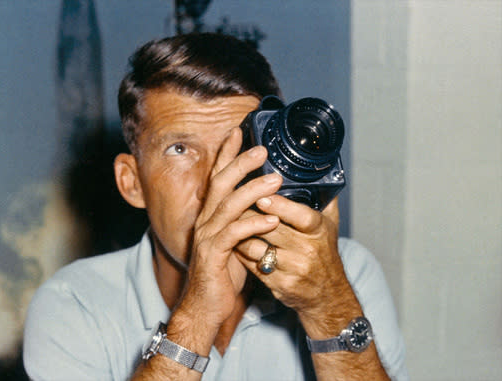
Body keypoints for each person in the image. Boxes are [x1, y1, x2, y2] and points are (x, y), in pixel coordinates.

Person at [23, 33, 407, 380]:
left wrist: (327, 306)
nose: (215, 184)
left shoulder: (345, 273)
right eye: (180, 149)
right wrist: (198, 315)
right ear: (132, 182)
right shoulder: (75, 304)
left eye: (237, 147)